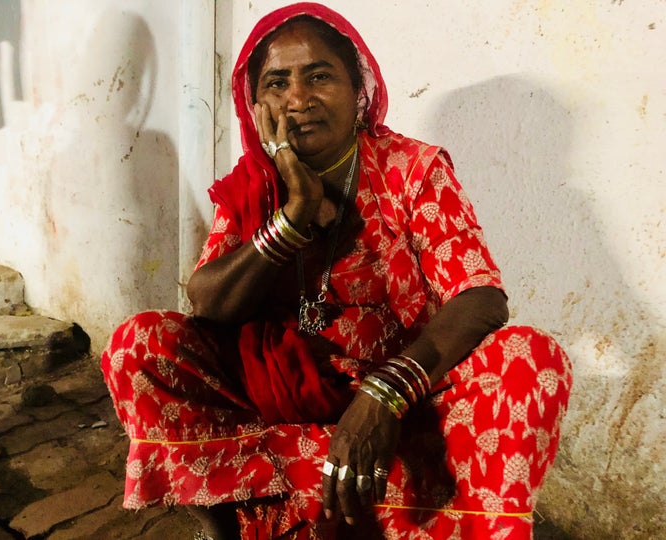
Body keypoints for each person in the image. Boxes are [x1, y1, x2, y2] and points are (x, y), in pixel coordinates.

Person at [101, 3, 572, 539]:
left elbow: (481, 296)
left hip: (396, 414)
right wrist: (293, 215)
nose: (298, 99)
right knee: (138, 345)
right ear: (256, 106)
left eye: (319, 76)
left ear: (358, 91)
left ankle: (422, 519)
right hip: (277, 416)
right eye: (277, 83)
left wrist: (385, 393)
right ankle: (229, 527)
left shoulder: (410, 169)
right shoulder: (255, 184)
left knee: (531, 359)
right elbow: (209, 300)